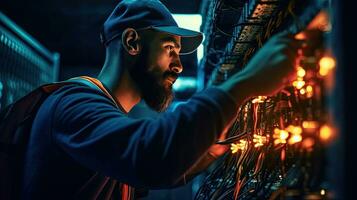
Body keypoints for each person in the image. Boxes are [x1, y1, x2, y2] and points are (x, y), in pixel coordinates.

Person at [21, 0, 300, 199]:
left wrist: (196, 158)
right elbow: (147, 158)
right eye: (170, 49)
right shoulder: (74, 104)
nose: (178, 66)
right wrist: (245, 83)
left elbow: (124, 175)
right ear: (132, 42)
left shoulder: (98, 109)